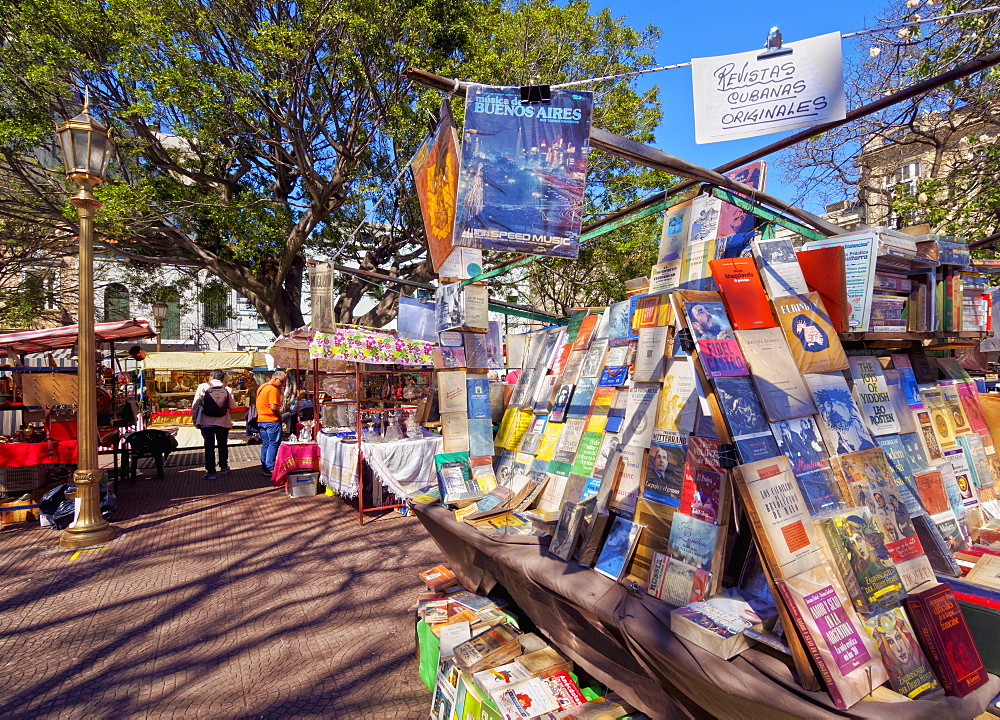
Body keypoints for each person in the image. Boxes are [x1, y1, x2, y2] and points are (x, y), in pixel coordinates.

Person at [192, 370, 238, 480]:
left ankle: (211, 471)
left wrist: (195, 420)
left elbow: (195, 405)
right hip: (223, 422)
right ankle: (223, 467)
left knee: (209, 446)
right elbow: (233, 407)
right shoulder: (227, 389)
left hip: (205, 421)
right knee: (222, 444)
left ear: (211, 376)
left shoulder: (202, 387)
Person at [256, 370, 286, 475]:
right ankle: (269, 467)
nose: (282, 384)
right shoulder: (272, 389)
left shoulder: (262, 387)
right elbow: (273, 407)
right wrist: (280, 417)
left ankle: (265, 465)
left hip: (262, 420)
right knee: (273, 444)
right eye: (282, 381)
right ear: (275, 378)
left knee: (266, 443)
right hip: (271, 420)